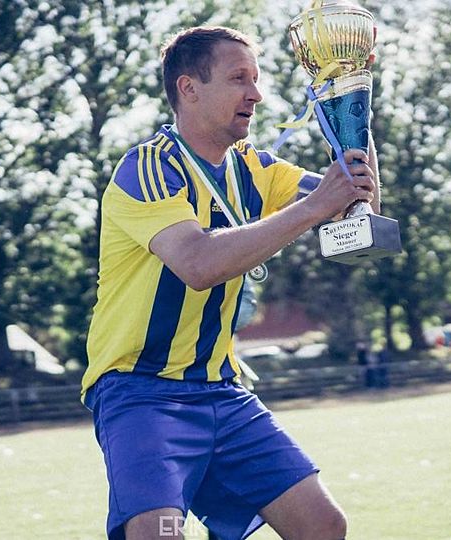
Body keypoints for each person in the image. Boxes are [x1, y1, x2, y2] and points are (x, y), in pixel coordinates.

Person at [80, 26, 380, 539]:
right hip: (140, 391)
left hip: (221, 388)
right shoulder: (146, 167)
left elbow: (357, 209)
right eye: (239, 78)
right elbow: (198, 264)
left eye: (256, 79)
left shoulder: (255, 167)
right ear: (189, 88)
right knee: (158, 535)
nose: (256, 94)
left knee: (323, 526)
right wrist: (315, 206)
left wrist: (352, 104)